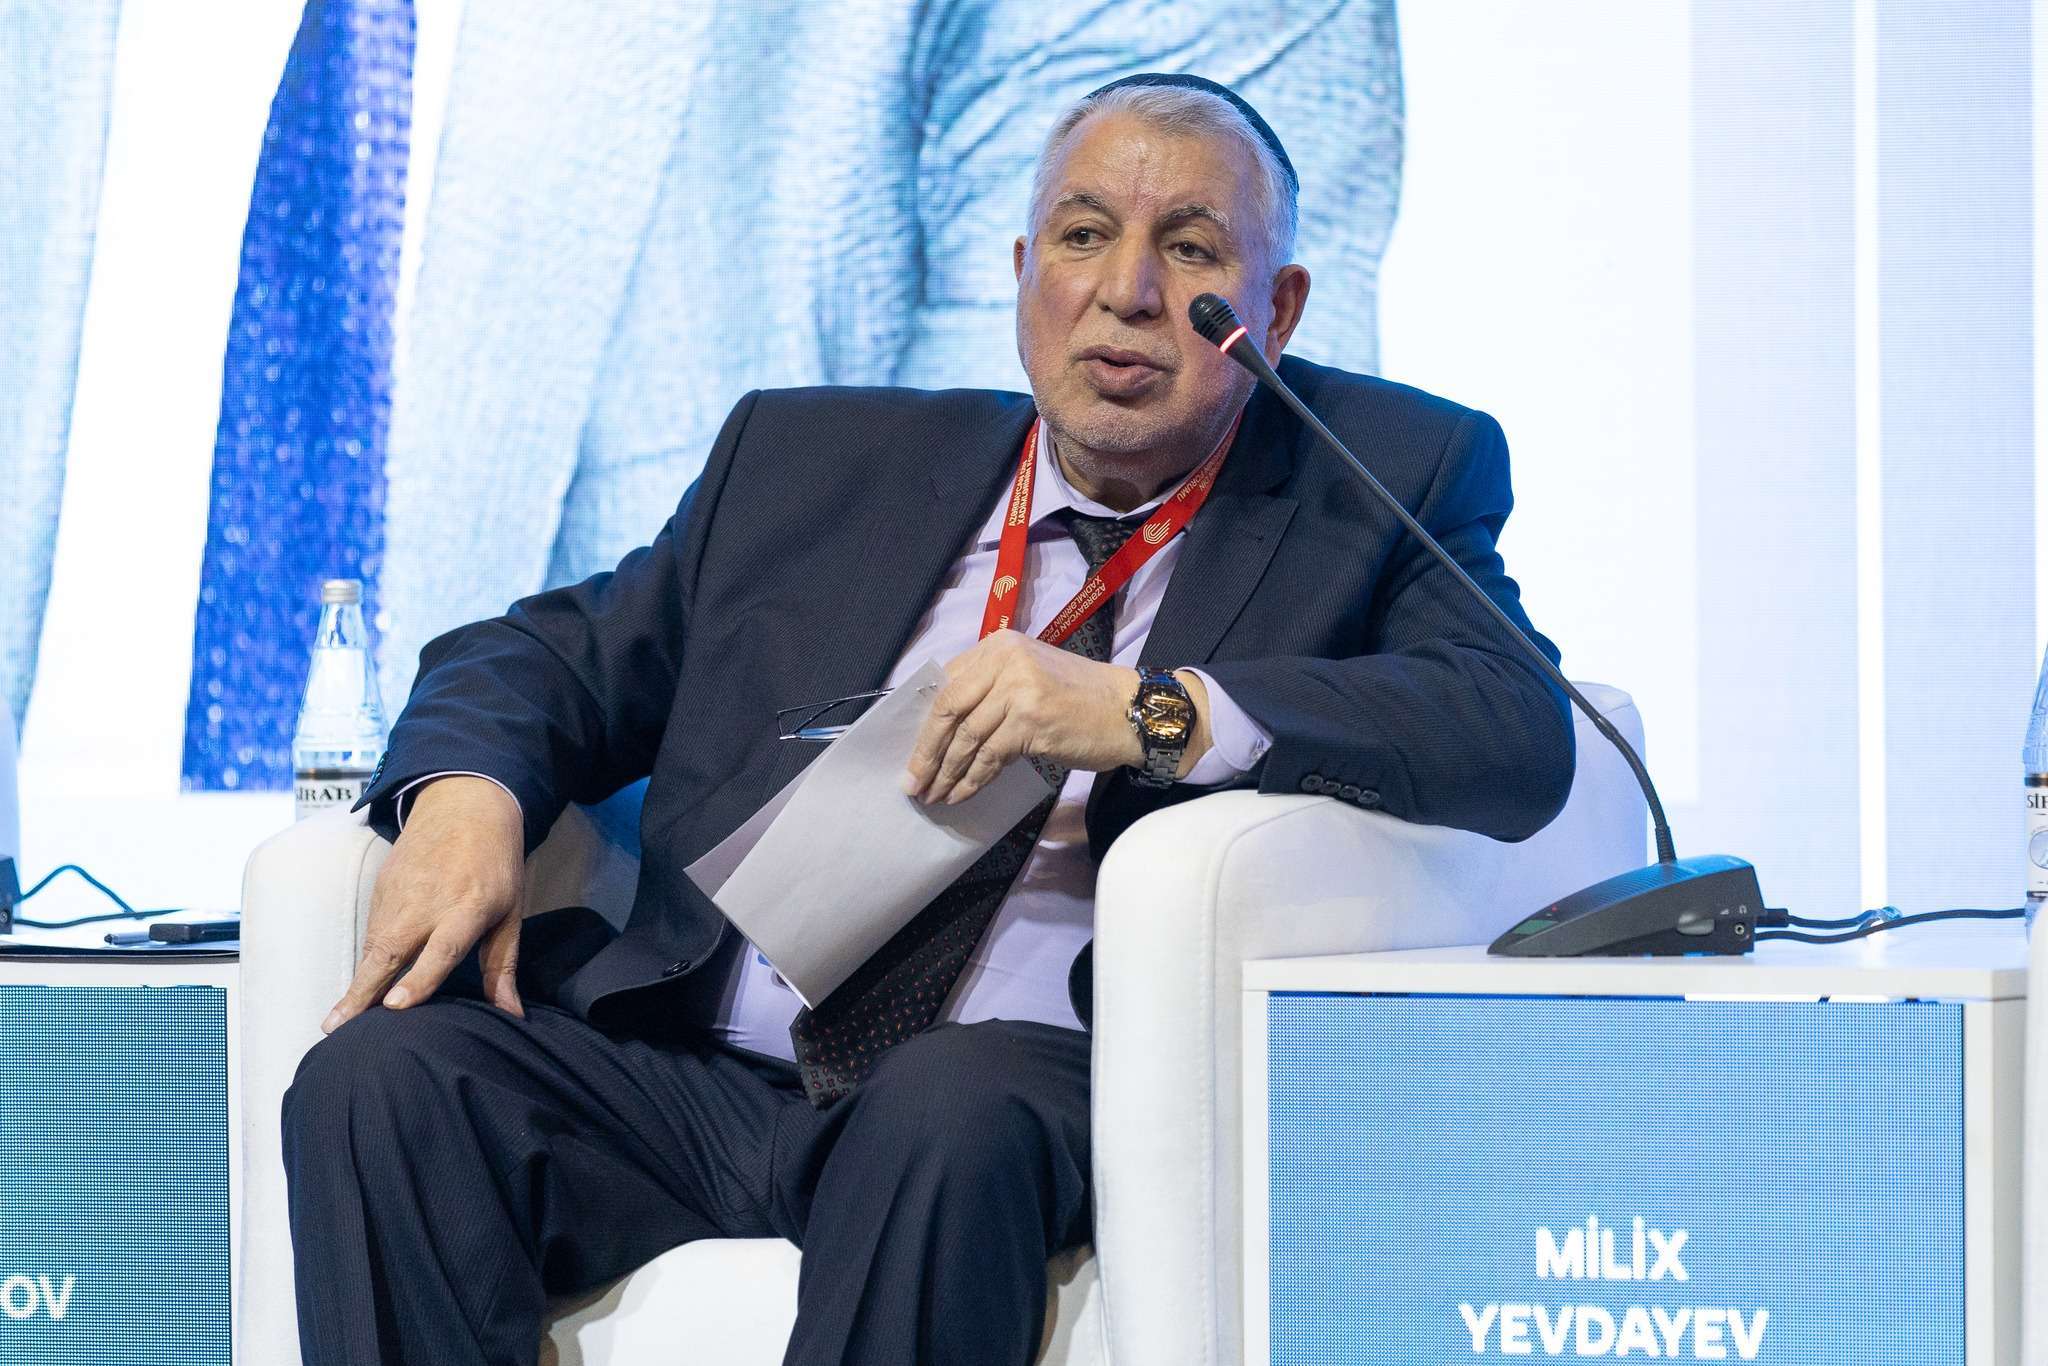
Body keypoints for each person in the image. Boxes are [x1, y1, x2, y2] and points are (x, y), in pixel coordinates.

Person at [280, 74, 1573, 1366]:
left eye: (1190, 250)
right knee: (381, 1079)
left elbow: (1512, 723)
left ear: (1274, 311)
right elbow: (547, 654)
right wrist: (466, 795)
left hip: (1013, 1083)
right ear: (1022, 273)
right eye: (1083, 236)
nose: (1126, 291)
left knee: (940, 1109)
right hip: (708, 1068)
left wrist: (1152, 713)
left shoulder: (1379, 477)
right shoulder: (812, 461)